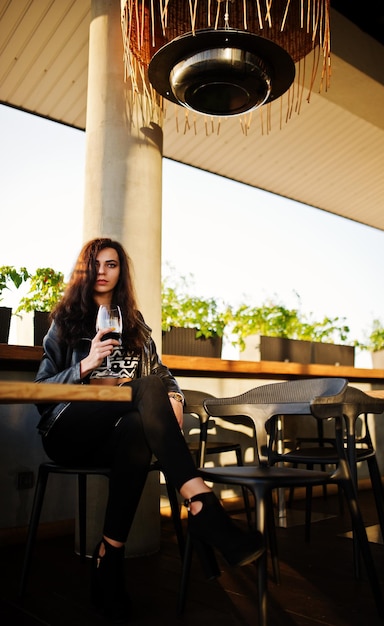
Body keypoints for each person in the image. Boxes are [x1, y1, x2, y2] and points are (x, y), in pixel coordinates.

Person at [35, 238, 264, 624]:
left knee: (141, 425)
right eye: (97, 264)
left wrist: (174, 397)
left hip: (115, 437)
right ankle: (203, 505)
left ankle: (109, 558)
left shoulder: (136, 325)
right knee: (146, 394)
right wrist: (86, 364)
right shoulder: (66, 322)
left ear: (121, 271)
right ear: (85, 270)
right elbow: (42, 394)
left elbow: (161, 376)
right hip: (68, 430)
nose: (104, 271)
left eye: (112, 264)